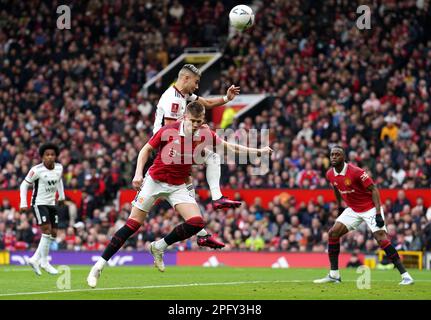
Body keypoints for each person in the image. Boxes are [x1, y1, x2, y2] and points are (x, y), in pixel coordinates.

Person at [87, 101, 272, 288]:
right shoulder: (169, 130)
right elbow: (146, 149)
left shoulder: (205, 134)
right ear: (185, 117)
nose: (196, 125)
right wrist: (137, 173)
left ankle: (159, 246)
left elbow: (229, 147)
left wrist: (258, 152)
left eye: (199, 121)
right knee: (133, 224)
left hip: (178, 185)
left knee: (197, 223)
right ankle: (98, 266)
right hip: (155, 181)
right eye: (193, 121)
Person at [151, 64, 242, 249]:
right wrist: (200, 131)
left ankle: (203, 233)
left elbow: (205, 104)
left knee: (191, 187)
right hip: (169, 148)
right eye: (196, 81)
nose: (197, 86)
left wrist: (226, 98)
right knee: (212, 158)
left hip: (176, 146)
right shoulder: (172, 100)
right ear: (185, 79)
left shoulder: (183, 95)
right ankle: (215, 203)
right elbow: (171, 131)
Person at [314, 145, 414, 285]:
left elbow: (374, 189)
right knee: (333, 233)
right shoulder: (330, 174)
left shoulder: (356, 172)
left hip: (370, 208)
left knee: (381, 239)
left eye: (337, 154)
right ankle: (334, 275)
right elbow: (336, 188)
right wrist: (339, 207)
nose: (334, 157)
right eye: (332, 155)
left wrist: (378, 213)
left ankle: (406, 276)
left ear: (343, 157)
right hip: (353, 209)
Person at [19, 142, 65, 276]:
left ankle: (34, 259)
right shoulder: (36, 170)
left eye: (52, 155)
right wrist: (23, 203)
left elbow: (59, 180)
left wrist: (61, 196)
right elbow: (23, 185)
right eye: (47, 155)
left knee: (54, 233)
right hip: (38, 203)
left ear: (56, 156)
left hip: (51, 203)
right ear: (42, 157)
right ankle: (44, 262)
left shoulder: (59, 168)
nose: (50, 157)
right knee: (46, 230)